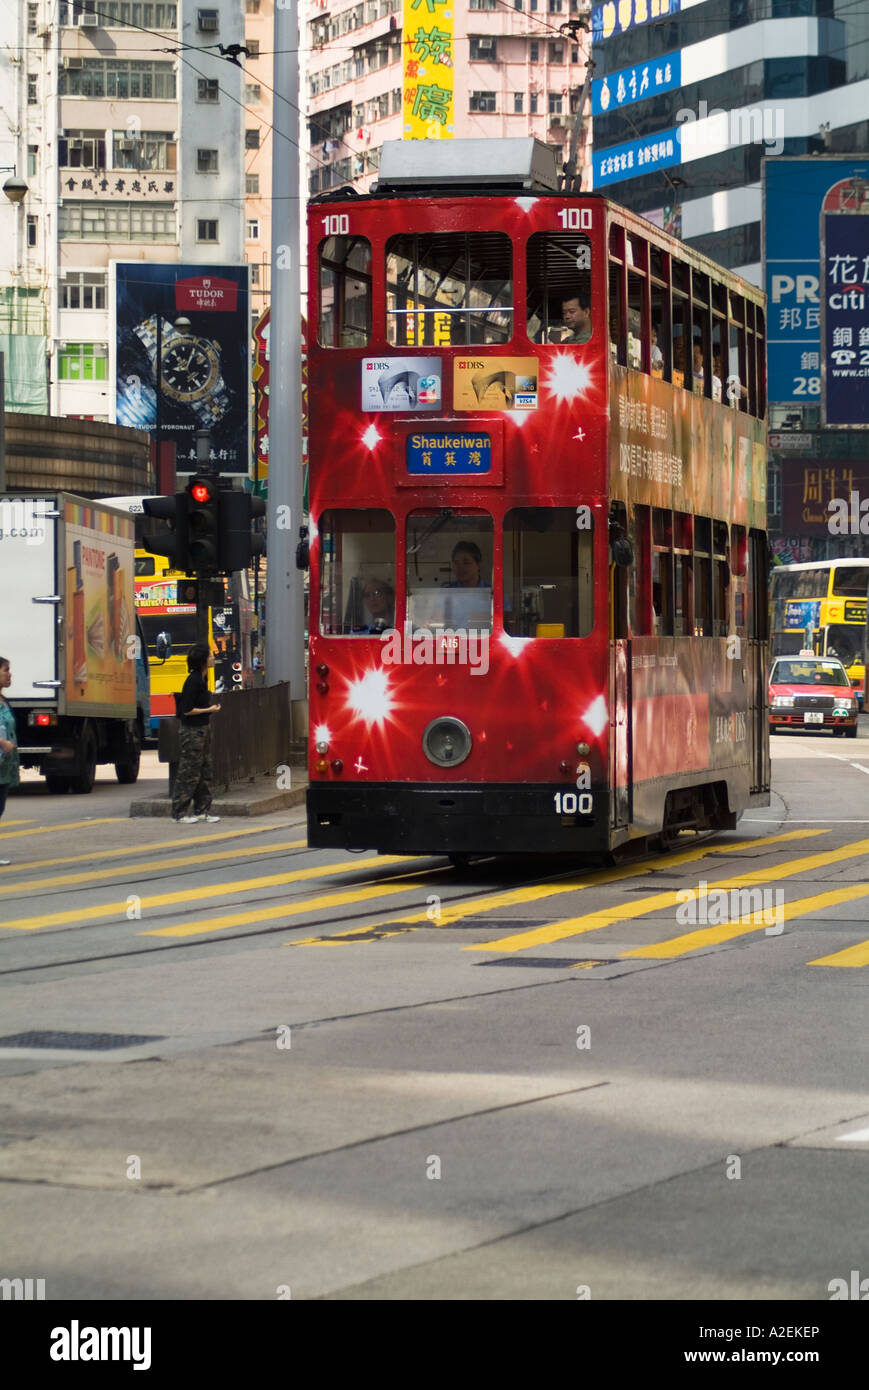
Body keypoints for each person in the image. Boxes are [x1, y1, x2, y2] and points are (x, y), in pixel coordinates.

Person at [172, 643, 221, 824]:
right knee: (189, 772)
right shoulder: (192, 680)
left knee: (204, 770)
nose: (213, 658)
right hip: (192, 731)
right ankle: (179, 812)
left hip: (203, 729)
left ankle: (202, 810)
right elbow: (187, 709)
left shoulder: (203, 679)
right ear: (202, 660)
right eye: (209, 656)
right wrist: (209, 709)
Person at [0, 656, 20, 865]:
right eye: (5, 670)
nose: (9, 674)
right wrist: (2, 743)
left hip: (4, 767)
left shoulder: (4, 701)